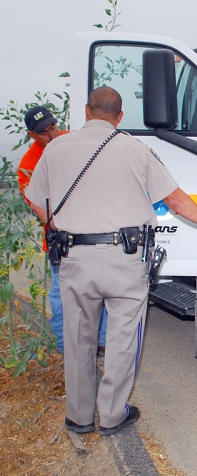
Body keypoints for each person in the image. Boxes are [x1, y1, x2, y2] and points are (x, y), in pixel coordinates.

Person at [25, 86, 197, 436]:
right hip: (124, 260)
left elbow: (34, 198)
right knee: (124, 338)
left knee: (78, 339)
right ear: (120, 116)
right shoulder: (136, 149)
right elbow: (175, 200)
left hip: (73, 258)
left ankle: (79, 417)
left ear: (86, 111)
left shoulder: (55, 150)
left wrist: (55, 225)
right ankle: (112, 415)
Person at [18, 106, 108, 355]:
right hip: (62, 239)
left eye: (54, 128)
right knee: (61, 295)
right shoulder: (28, 166)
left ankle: (102, 342)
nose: (52, 135)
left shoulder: (74, 140)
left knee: (100, 289)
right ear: (31, 135)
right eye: (44, 133)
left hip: (93, 232)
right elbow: (43, 212)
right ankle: (65, 347)